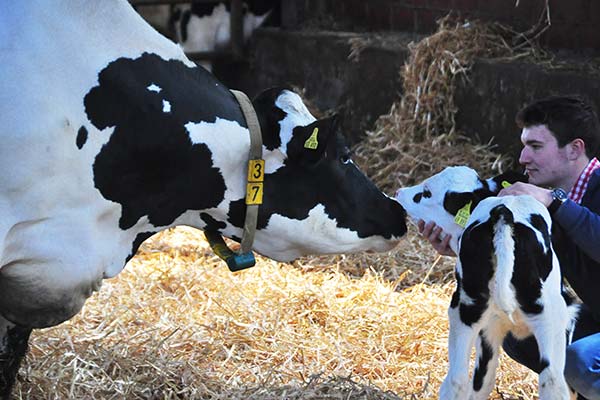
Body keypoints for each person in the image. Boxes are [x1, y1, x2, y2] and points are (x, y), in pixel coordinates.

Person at [420, 95, 600, 399]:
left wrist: (557, 202)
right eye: (524, 145)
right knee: (518, 323)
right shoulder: (549, 202)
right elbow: (535, 259)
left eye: (536, 146)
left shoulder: (562, 199)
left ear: (575, 149)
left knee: (582, 361)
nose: (523, 158)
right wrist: (467, 249)